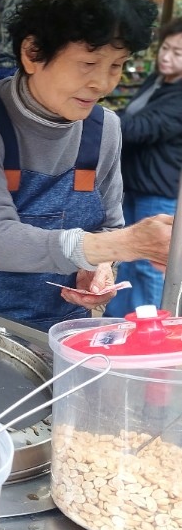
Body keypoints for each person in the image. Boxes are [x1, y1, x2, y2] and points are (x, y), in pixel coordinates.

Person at [0, 0, 174, 331]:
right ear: (32, 53)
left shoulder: (104, 129)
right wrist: (126, 244)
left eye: (116, 65)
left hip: (55, 328)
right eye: (87, 63)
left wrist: (99, 268)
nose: (103, 83)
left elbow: (108, 225)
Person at [104, 17, 182, 317]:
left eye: (178, 52)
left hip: (158, 189)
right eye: (166, 47)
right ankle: (119, 323)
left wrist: (102, 120)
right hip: (134, 182)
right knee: (126, 257)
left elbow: (143, 126)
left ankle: (153, 329)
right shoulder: (157, 80)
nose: (166, 56)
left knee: (150, 266)